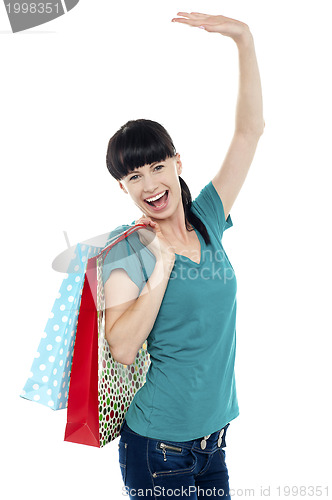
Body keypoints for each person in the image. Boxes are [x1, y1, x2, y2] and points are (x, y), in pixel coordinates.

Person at [103, 11, 264, 500]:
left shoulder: (207, 217)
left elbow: (249, 132)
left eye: (157, 166)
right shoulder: (128, 250)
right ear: (123, 186)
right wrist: (161, 266)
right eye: (135, 177)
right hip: (157, 448)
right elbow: (124, 348)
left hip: (214, 442)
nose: (150, 184)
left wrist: (244, 38)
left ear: (177, 162)